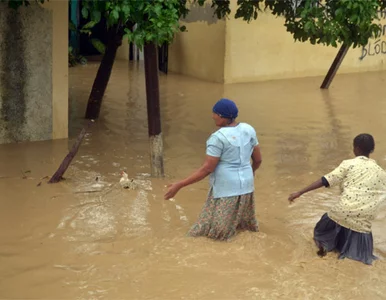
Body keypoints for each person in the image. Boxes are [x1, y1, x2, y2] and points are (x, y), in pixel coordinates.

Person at [164, 98, 262, 241]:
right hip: (247, 186)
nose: (212, 116)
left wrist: (180, 184)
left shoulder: (217, 138)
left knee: (216, 233)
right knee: (243, 227)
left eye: (215, 113)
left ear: (222, 117)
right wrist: (250, 173)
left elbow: (207, 169)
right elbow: (258, 160)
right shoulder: (249, 130)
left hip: (226, 189)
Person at [288, 133, 386, 265]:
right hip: (364, 220)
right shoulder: (382, 173)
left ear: (356, 148)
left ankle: (324, 247)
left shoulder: (349, 164)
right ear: (372, 150)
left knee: (321, 229)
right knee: (361, 259)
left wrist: (299, 192)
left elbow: (325, 180)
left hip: (343, 211)